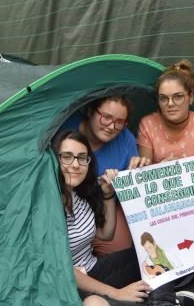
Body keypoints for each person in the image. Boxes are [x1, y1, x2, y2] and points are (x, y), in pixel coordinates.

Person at [52, 129, 194, 306]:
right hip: (70, 286)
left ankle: (163, 304)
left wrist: (108, 194)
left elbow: (105, 234)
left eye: (82, 158)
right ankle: (162, 305)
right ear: (53, 160)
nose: (75, 164)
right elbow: (64, 268)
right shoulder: (49, 203)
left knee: (151, 250)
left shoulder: (78, 193)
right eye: (67, 157)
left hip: (94, 269)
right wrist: (117, 293)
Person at [62, 95, 149, 254]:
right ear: (90, 111)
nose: (111, 126)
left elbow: (132, 187)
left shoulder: (126, 140)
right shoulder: (65, 125)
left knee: (120, 249)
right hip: (63, 206)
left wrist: (140, 170)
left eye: (119, 122)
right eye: (106, 117)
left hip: (102, 206)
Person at [137, 60, 194, 163]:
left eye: (178, 97)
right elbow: (144, 170)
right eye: (163, 98)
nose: (170, 103)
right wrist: (160, 169)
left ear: (190, 97)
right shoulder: (148, 124)